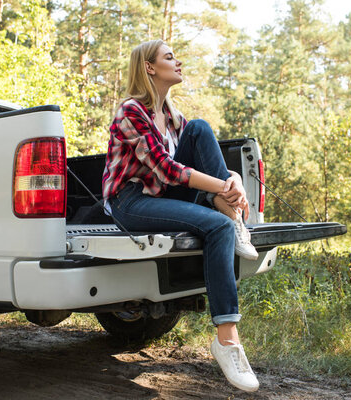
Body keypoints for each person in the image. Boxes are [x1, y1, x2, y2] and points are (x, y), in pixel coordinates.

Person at [102, 39, 260, 392]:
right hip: (130, 201)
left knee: (202, 128)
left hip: (161, 194)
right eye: (169, 57)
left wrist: (232, 180)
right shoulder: (130, 112)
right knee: (217, 226)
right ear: (149, 67)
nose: (179, 62)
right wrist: (223, 186)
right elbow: (168, 170)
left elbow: (193, 164)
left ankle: (231, 212)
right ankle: (228, 340)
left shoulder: (175, 118)